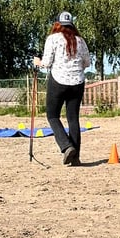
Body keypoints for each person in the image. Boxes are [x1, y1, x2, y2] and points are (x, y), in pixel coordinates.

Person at [33, 11, 91, 166]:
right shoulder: (80, 41)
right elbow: (87, 63)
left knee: (52, 116)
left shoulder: (52, 39)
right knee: (73, 118)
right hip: (77, 82)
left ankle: (66, 146)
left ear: (57, 24)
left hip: (58, 81)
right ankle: (75, 157)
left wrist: (37, 62)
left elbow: (46, 63)